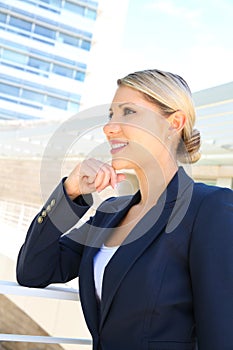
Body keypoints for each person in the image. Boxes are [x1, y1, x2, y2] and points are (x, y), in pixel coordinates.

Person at [16, 69, 233, 350]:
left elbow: (221, 335)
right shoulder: (110, 212)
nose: (109, 127)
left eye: (128, 112)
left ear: (174, 123)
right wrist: (70, 192)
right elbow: (33, 270)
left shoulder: (208, 209)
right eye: (110, 114)